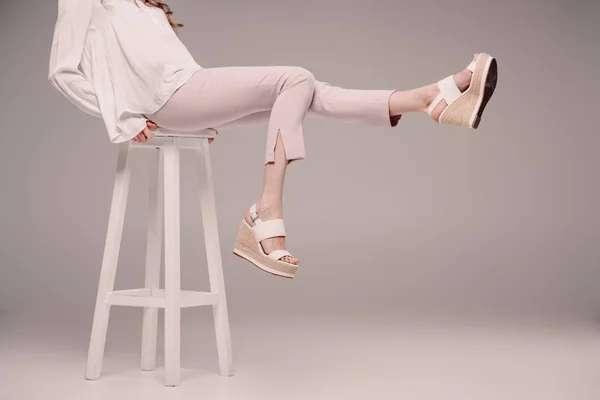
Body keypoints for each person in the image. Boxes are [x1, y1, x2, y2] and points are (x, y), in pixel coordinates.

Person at [49, 0, 498, 279]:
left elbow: (169, 67)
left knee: (309, 92)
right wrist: (121, 117)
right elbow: (62, 71)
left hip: (188, 92)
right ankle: (266, 208)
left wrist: (209, 109)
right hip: (169, 101)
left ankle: (429, 100)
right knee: (295, 78)